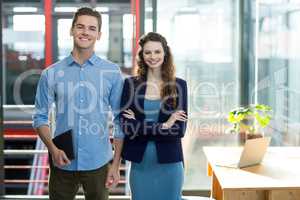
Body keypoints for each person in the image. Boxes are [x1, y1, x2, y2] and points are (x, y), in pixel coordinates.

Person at [32, 7, 124, 200]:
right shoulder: (51, 73)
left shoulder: (112, 73)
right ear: (72, 30)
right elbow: (40, 117)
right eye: (80, 27)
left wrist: (115, 165)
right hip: (62, 160)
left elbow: (120, 121)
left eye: (92, 28)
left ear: (99, 35)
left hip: (98, 162)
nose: (85, 32)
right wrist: (53, 150)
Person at [120, 32, 188, 200]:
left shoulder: (179, 85)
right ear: (142, 56)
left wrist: (140, 126)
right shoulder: (130, 85)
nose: (153, 56)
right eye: (148, 52)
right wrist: (165, 125)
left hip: (170, 165)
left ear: (165, 53)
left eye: (157, 51)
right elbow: (128, 128)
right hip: (140, 165)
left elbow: (179, 131)